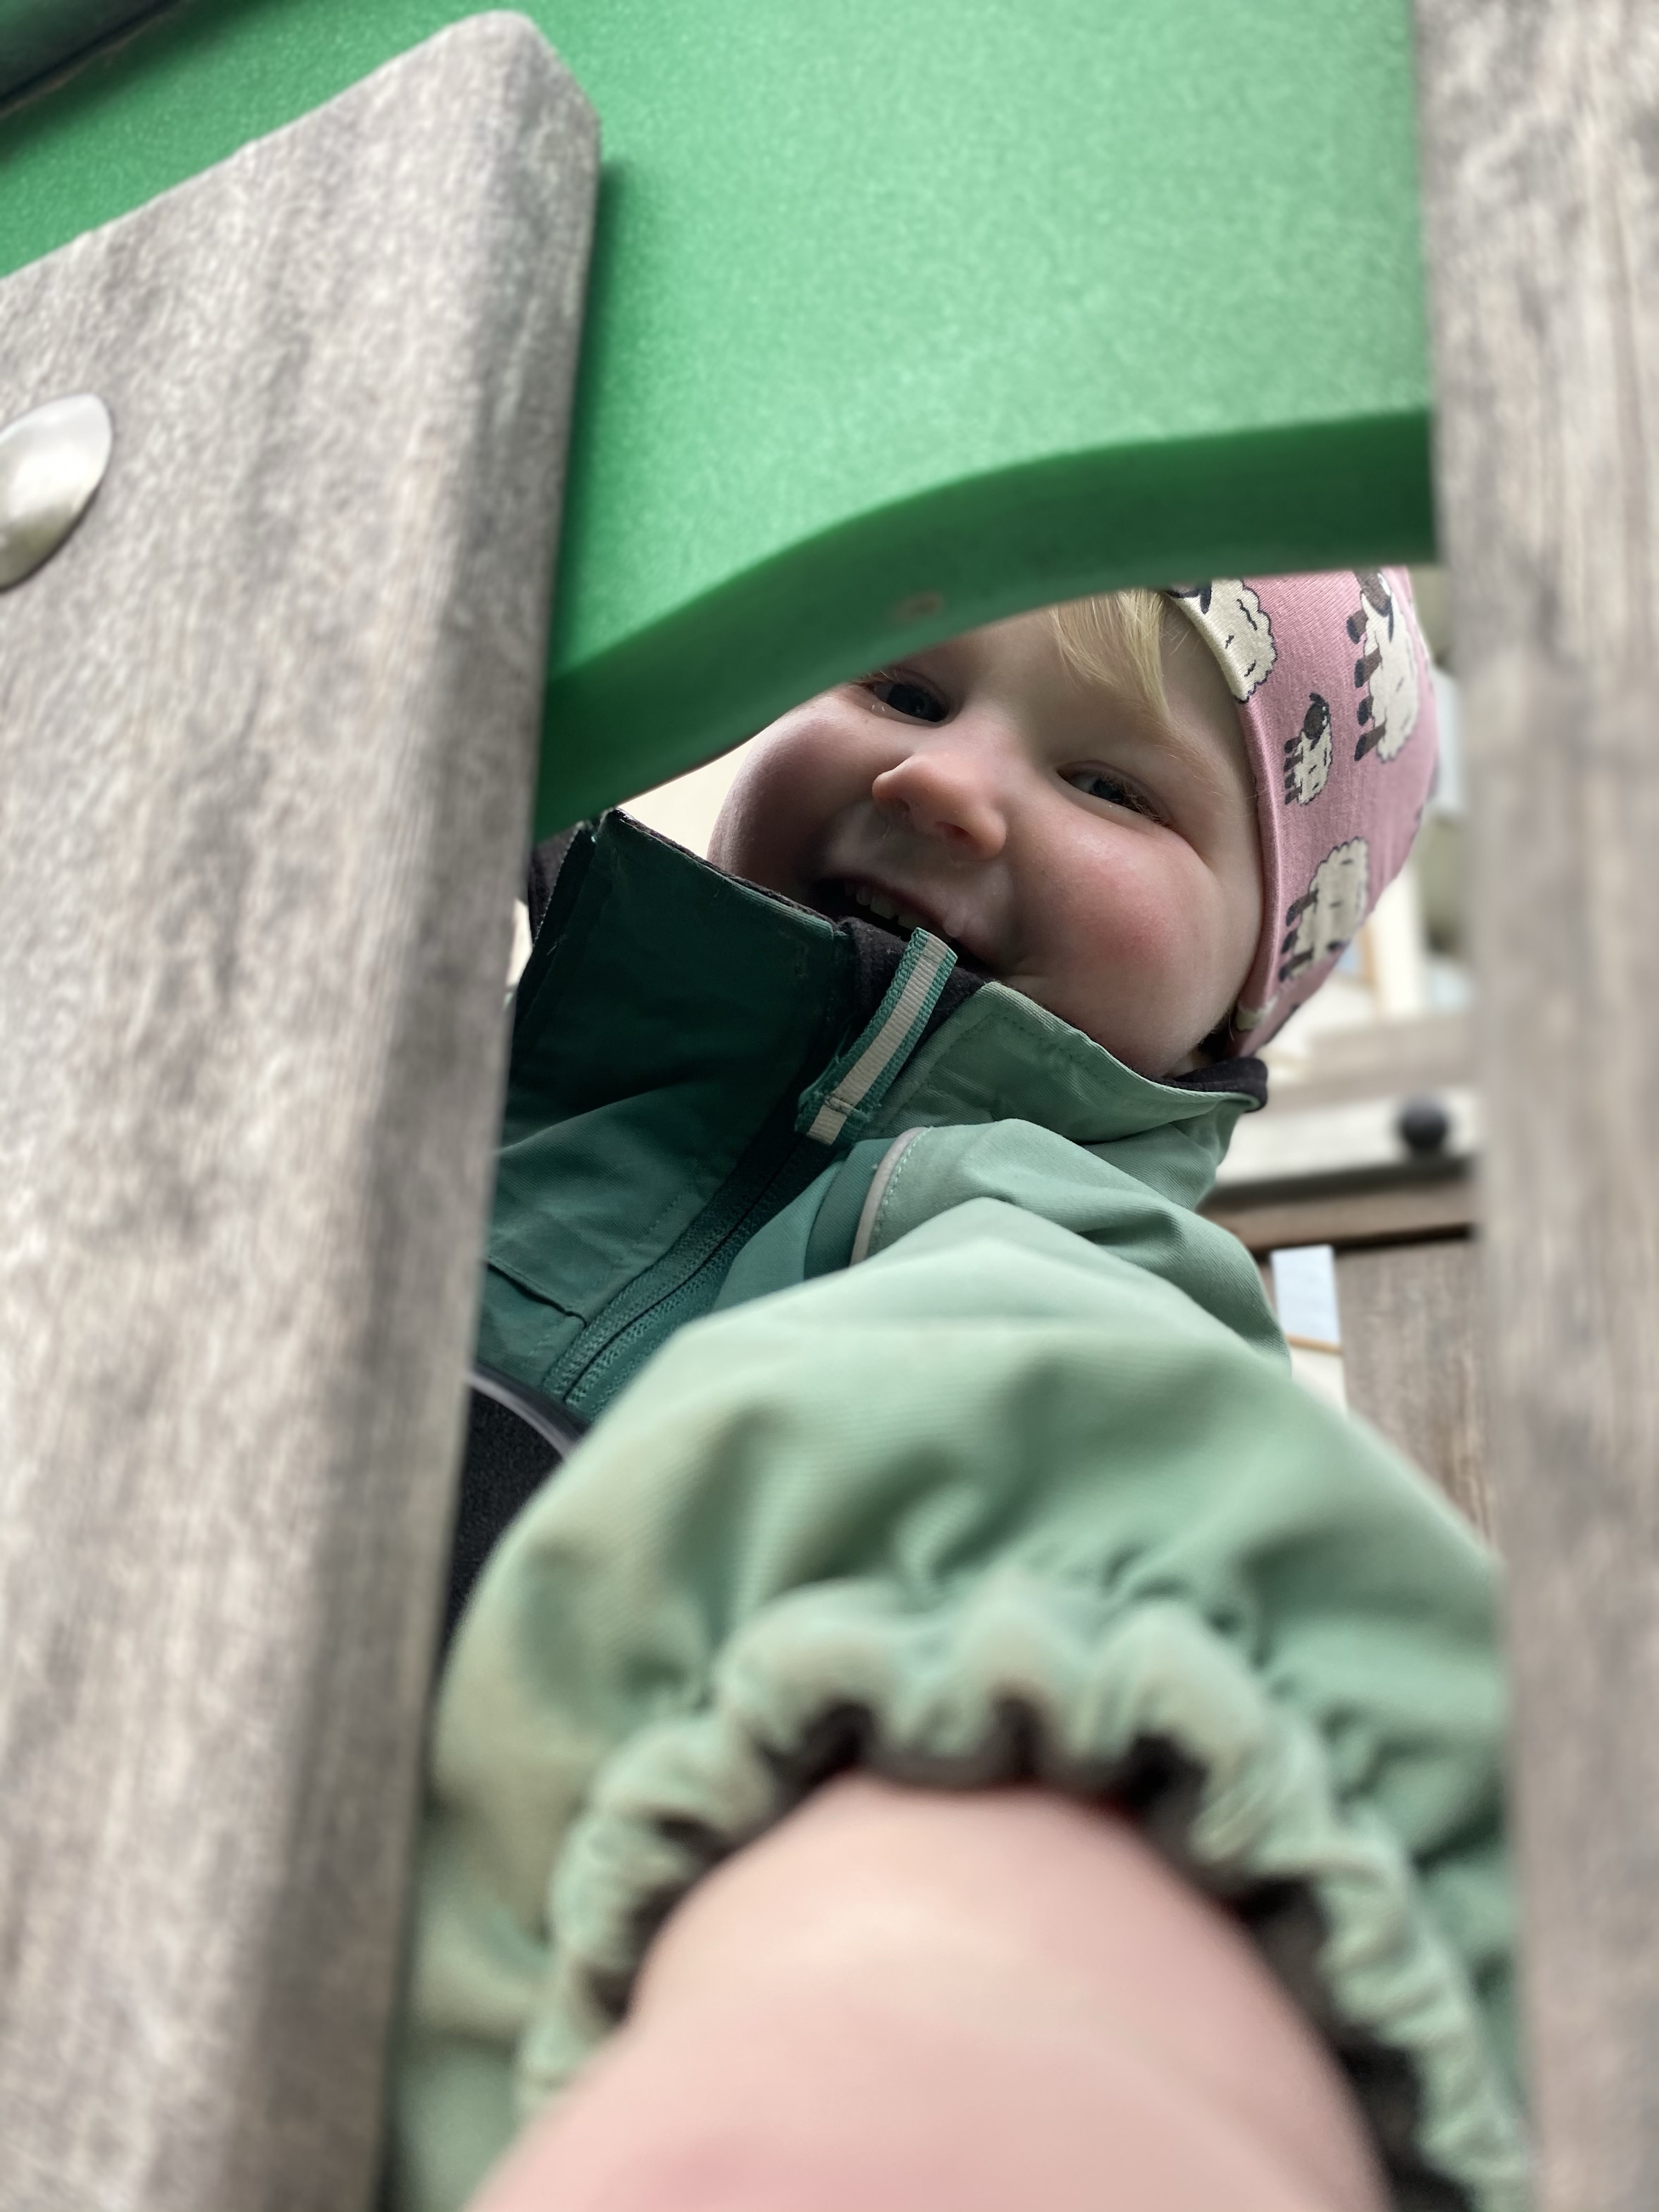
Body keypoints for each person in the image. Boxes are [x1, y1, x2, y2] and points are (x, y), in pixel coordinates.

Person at [392, 575, 1524, 2212]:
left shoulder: (1050, 1246)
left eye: (1110, 784)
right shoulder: (420, 1054)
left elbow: (1062, 1467)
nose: (943, 783)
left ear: (1245, 993)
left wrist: (980, 1970)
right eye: (902, 692)